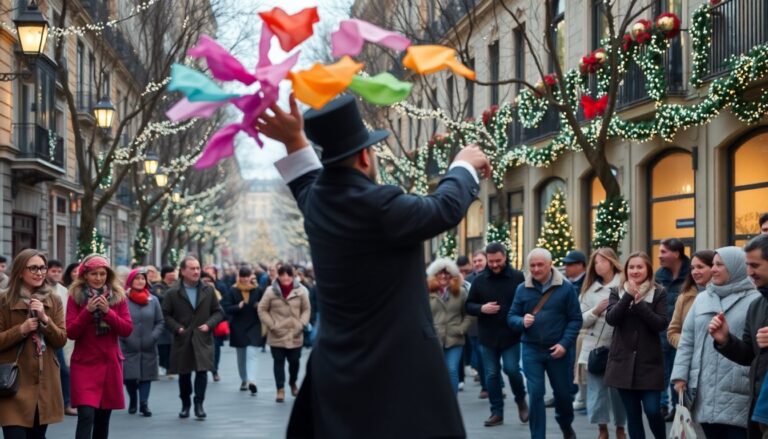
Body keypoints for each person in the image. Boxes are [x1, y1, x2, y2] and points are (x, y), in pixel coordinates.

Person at [261, 93, 488, 438]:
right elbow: (443, 208)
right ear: (365, 156)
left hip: (336, 372)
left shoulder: (318, 202)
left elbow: (306, 178)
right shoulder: (380, 205)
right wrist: (464, 164)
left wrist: (294, 139)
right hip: (397, 374)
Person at [671, 247, 758, 439]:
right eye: (713, 264)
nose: (714, 269)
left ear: (735, 267)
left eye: (719, 265)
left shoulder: (755, 299)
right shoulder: (702, 298)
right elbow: (687, 340)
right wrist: (680, 375)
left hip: (738, 388)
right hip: (705, 389)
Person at [508, 248, 582, 439]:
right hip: (531, 349)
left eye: (540, 264)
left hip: (557, 350)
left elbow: (575, 319)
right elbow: (511, 316)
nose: (535, 269)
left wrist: (564, 344)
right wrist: (521, 321)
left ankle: (565, 423)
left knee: (563, 395)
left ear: (550, 264)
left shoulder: (566, 288)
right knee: (535, 394)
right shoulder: (522, 289)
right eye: (532, 265)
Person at [0, 249, 66, 438]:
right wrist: (21, 330)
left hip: (43, 384)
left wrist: (45, 320)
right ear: (20, 271)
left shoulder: (54, 300)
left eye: (43, 268)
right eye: (33, 268)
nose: (40, 273)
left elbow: (61, 339)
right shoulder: (4, 301)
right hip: (13, 383)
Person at [67, 254, 133, 439]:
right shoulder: (75, 296)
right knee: (86, 416)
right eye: (94, 274)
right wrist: (87, 312)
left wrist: (107, 312)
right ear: (85, 275)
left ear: (108, 275)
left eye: (102, 274)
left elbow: (126, 329)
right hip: (84, 364)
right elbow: (71, 332)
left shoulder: (118, 296)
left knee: (103, 420)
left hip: (109, 365)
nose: (98, 278)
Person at [710, 234, 768, 439]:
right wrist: (726, 340)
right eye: (747, 265)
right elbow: (750, 355)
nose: (749, 272)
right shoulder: (757, 305)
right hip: (760, 409)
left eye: (755, 265)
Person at [604, 252, 667, 439]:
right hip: (622, 364)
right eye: (631, 267)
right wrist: (627, 297)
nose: (635, 271)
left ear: (648, 269)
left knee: (653, 410)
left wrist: (639, 304)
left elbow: (660, 324)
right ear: (626, 270)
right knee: (633, 415)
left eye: (640, 267)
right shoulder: (616, 291)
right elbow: (611, 319)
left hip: (649, 364)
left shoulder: (658, 292)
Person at [466, 242, 528, 426]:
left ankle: (521, 400)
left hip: (511, 334)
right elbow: (468, 305)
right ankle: (497, 412)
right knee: (491, 374)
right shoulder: (479, 280)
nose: (494, 265)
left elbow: (526, 301)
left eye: (498, 261)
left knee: (512, 370)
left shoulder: (517, 277)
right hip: (488, 335)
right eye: (491, 261)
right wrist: (481, 308)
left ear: (505, 257)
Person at [162, 256, 224, 420]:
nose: (196, 271)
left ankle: (199, 404)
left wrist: (209, 325)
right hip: (183, 338)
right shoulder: (173, 292)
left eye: (198, 268)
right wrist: (177, 328)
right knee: (184, 374)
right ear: (183, 271)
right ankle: (185, 404)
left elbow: (218, 312)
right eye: (192, 268)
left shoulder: (208, 290)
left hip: (202, 338)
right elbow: (165, 315)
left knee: (202, 372)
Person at [578, 248, 626, 439]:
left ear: (612, 262)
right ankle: (602, 429)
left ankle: (621, 427)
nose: (599, 266)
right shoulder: (589, 290)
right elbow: (579, 320)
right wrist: (596, 311)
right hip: (595, 349)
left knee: (618, 393)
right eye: (596, 262)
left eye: (603, 261)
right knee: (596, 392)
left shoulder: (625, 285)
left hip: (619, 347)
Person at [258, 264, 310, 403]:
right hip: (277, 333)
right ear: (279, 276)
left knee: (294, 362)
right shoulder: (270, 291)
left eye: (288, 275)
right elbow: (262, 309)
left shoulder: (301, 291)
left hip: (295, 333)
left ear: (292, 276)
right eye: (282, 275)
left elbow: (306, 309)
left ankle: (292, 382)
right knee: (278, 362)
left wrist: (301, 324)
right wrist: (272, 325)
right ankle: (280, 389)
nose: (285, 278)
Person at [120, 268, 164, 418]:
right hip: (128, 344)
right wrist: (125, 337)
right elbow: (118, 321)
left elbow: (160, 321)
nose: (140, 281)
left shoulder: (153, 300)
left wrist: (153, 336)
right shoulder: (123, 300)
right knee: (129, 377)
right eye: (137, 278)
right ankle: (133, 399)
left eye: (143, 279)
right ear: (130, 281)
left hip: (148, 345)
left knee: (146, 375)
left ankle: (144, 403)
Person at [655, 237, 690, 420]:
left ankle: (680, 408)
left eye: (663, 252)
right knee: (664, 372)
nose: (659, 256)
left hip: (682, 335)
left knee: (680, 373)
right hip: (662, 333)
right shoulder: (659, 275)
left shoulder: (691, 273)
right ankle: (665, 406)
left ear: (676, 254)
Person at [427, 258, 473, 394]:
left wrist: (462, 328)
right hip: (434, 339)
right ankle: (439, 400)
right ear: (434, 275)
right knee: (436, 371)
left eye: (446, 273)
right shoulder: (427, 292)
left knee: (452, 369)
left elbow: (469, 314)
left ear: (452, 275)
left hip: (455, 338)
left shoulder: (461, 292)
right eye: (440, 273)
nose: (443, 276)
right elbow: (422, 314)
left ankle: (453, 401)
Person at [221, 267, 264, 394]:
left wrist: (259, 306)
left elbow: (265, 305)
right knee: (241, 356)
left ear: (251, 276)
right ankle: (244, 379)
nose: (245, 279)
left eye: (247, 276)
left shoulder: (258, 290)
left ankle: (252, 381)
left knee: (252, 353)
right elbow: (225, 307)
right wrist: (237, 307)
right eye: (242, 276)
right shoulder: (232, 291)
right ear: (239, 277)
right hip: (238, 326)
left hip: (254, 326)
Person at [46, 259, 77, 417]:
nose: (56, 274)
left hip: (59, 335)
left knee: (64, 370)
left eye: (59, 271)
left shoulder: (64, 291)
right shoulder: (41, 289)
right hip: (43, 335)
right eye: (53, 271)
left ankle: (67, 403)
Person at [667, 250, 715, 349]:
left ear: (713, 268)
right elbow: (672, 332)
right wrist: (689, 345)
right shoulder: (684, 297)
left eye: (700, 267)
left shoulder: (723, 295)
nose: (695, 272)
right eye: (692, 268)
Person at [563, 249, 587, 412]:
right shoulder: (567, 283)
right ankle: (569, 394)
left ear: (580, 265)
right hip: (568, 328)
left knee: (578, 363)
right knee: (569, 363)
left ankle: (579, 396)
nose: (566, 267)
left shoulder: (586, 283)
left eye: (570, 264)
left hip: (581, 329)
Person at [200, 272, 226, 383]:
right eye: (205, 281)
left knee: (215, 349)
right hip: (200, 326)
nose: (207, 283)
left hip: (215, 326)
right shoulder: (196, 293)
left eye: (210, 281)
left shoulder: (217, 293)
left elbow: (222, 310)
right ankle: (203, 370)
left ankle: (214, 370)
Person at [152, 266, 176, 377]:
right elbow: (160, 298)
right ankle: (162, 365)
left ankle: (170, 367)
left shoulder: (177, 285)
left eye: (173, 272)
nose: (173, 274)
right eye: (170, 273)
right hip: (161, 317)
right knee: (162, 344)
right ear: (165, 274)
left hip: (174, 318)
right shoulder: (157, 287)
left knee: (172, 345)